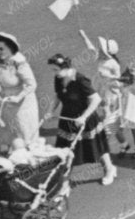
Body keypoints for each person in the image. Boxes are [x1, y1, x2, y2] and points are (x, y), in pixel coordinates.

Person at [47, 52, 117, 187]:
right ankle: (64, 179)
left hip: (85, 120)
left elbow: (96, 99)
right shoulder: (59, 78)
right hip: (67, 120)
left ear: (66, 67)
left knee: (96, 147)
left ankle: (109, 169)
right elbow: (57, 96)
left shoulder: (80, 80)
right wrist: (50, 111)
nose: (54, 73)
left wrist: (83, 117)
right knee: (65, 150)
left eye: (56, 69)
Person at [0, 32, 42, 154]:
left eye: (1, 49)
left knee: (24, 133)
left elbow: (32, 84)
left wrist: (18, 97)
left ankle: (28, 158)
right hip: (6, 103)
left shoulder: (19, 64)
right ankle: (14, 156)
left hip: (22, 105)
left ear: (10, 48)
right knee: (9, 132)